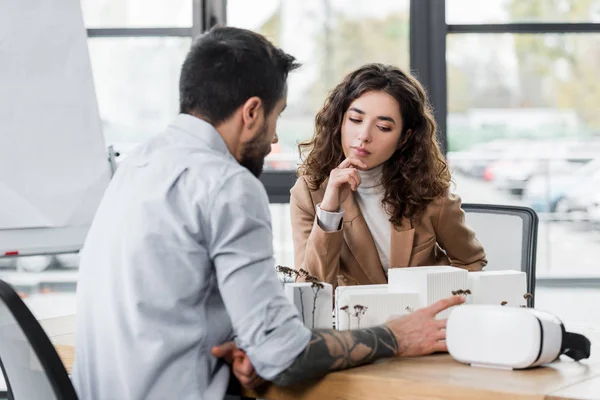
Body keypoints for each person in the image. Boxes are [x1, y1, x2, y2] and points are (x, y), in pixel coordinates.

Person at [72, 27, 466, 400]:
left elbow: (175, 300)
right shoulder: (226, 184)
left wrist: (252, 346)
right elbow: (286, 357)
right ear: (252, 112)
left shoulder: (137, 164)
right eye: (277, 116)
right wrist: (396, 336)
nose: (275, 137)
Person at [290, 63, 487, 288]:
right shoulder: (309, 193)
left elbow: (471, 261)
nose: (364, 136)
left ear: (405, 137)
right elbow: (308, 288)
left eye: (383, 127)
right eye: (355, 120)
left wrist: (436, 301)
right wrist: (329, 211)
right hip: (355, 321)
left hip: (421, 318)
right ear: (339, 121)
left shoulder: (428, 192)